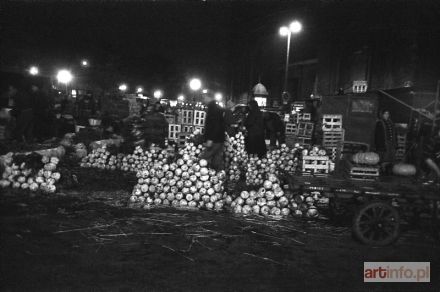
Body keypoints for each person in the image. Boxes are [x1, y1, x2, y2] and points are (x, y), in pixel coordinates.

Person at [201, 96, 225, 171]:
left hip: (214, 139)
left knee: (204, 159)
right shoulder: (216, 107)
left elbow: (215, 125)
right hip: (219, 138)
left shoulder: (213, 108)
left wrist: (210, 139)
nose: (203, 99)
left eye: (204, 97)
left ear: (209, 97)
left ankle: (205, 178)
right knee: (217, 160)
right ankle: (219, 177)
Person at [375, 109, 396, 173]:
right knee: (383, 157)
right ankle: (382, 169)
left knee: (390, 156)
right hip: (383, 143)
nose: (387, 115)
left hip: (390, 143)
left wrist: (394, 143)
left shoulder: (391, 123)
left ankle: (388, 169)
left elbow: (393, 133)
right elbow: (378, 135)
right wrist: (380, 145)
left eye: (388, 114)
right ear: (382, 115)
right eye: (385, 114)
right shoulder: (380, 123)